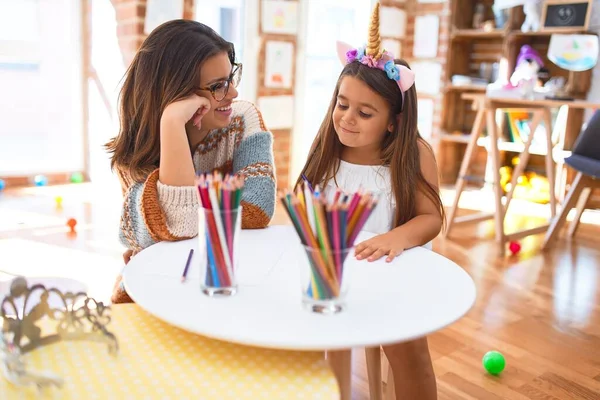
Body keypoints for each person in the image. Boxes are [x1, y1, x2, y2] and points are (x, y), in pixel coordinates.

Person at [296, 3, 444, 398]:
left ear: (393, 120)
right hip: (332, 275)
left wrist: (395, 238)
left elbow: (431, 219)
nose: (346, 118)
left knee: (409, 350)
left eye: (364, 113)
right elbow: (305, 202)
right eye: (341, 105)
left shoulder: (413, 154)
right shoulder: (328, 149)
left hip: (391, 277)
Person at [106, 20, 276, 303]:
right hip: (156, 290)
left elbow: (257, 208)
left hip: (226, 281)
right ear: (175, 93)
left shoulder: (243, 120)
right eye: (218, 86)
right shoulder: (134, 157)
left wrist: (169, 225)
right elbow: (172, 228)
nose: (232, 93)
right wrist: (172, 123)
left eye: (231, 78)